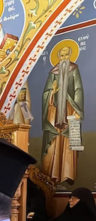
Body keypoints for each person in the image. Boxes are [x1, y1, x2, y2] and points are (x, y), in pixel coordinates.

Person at [41, 42, 84, 183]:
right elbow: (46, 93)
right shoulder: (53, 72)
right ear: (58, 56)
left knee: (71, 140)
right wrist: (52, 92)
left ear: (70, 55)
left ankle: (68, 175)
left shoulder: (74, 69)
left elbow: (78, 89)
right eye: (62, 55)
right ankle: (52, 176)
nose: (64, 58)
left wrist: (77, 110)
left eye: (66, 55)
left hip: (71, 109)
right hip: (54, 111)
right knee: (54, 140)